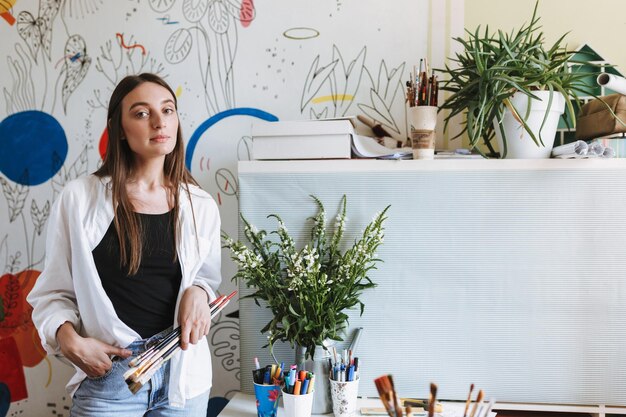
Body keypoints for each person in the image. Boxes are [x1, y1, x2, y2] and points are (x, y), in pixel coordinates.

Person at [27, 73, 222, 416]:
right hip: (110, 380)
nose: (160, 122)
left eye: (168, 110)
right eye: (142, 113)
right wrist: (69, 340)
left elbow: (205, 277)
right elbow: (52, 294)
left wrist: (199, 292)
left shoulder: (200, 205)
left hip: (183, 377)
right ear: (118, 127)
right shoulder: (80, 199)